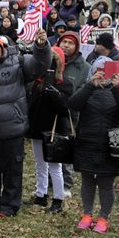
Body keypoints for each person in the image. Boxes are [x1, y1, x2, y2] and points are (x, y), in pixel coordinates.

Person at [0, 33, 52, 217]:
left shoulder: (18, 62)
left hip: (11, 127)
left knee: (12, 169)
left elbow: (40, 66)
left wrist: (41, 46)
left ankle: (9, 204)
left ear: (3, 47)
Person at [68, 56, 119, 233]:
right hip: (87, 143)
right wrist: (90, 85)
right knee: (87, 181)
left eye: (106, 70)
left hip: (111, 145)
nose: (103, 74)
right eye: (99, 69)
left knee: (106, 183)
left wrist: (117, 88)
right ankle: (87, 214)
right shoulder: (88, 87)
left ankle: (103, 217)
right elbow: (73, 104)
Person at [25, 46, 73, 213]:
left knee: (54, 165)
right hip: (37, 128)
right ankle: (41, 194)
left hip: (54, 130)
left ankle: (58, 198)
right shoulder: (34, 82)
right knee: (40, 164)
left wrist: (55, 94)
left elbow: (66, 109)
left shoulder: (65, 83)